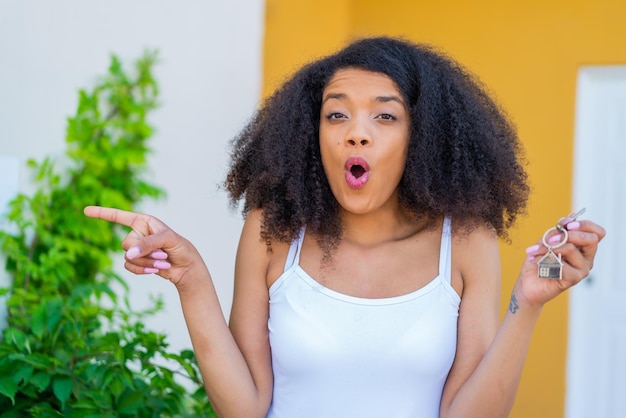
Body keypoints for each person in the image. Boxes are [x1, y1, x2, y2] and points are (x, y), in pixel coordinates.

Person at [84, 36, 605, 418]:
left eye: (384, 117)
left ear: (421, 138)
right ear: (312, 135)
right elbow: (244, 409)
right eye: (337, 116)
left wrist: (528, 302)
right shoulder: (273, 233)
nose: (357, 134)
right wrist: (192, 279)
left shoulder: (465, 240)